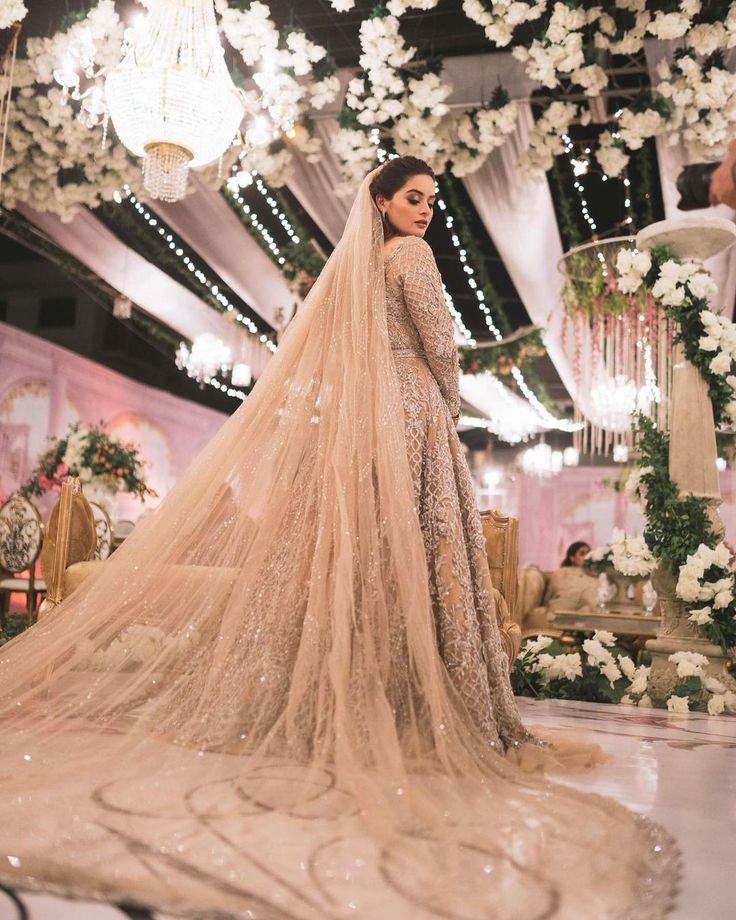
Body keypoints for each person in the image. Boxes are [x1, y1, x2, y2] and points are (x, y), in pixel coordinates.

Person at [0, 158, 677, 918]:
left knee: (373, 559)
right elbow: (440, 343)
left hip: (367, 423)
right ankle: (428, 700)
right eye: (413, 198)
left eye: (430, 202)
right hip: (414, 413)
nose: (425, 212)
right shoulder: (410, 257)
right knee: (424, 554)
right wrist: (445, 397)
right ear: (381, 202)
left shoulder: (356, 270)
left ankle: (367, 691)